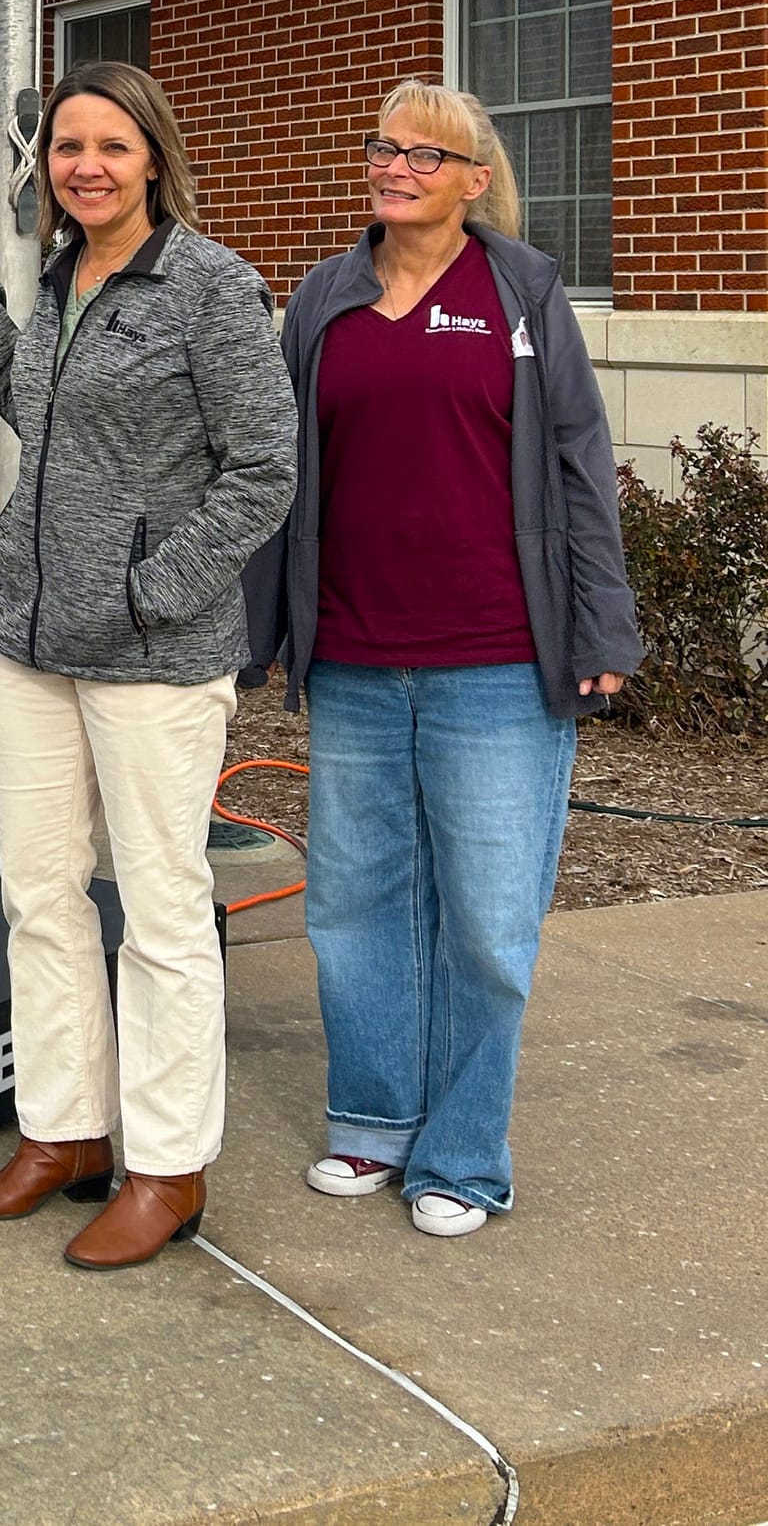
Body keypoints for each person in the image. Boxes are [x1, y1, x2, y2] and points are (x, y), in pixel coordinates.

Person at [249, 81, 640, 1236]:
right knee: (356, 901)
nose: (396, 166)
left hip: (494, 658)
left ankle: (462, 1157)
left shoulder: (519, 290)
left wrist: (601, 623)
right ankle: (372, 1123)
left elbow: (576, 457)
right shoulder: (323, 295)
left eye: (426, 153)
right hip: (358, 655)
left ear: (475, 181)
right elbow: (279, 477)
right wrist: (256, 632)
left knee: (485, 915)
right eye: (383, 145)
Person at [0, 63, 297, 1269]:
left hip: (150, 659)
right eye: (66, 146)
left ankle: (165, 1167)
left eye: (110, 146)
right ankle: (62, 1133)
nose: (84, 164)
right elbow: (38, 415)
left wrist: (152, 592)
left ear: (154, 157)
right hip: (34, 645)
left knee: (158, 916)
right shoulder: (61, 278)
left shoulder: (207, 287)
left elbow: (262, 469)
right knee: (38, 898)